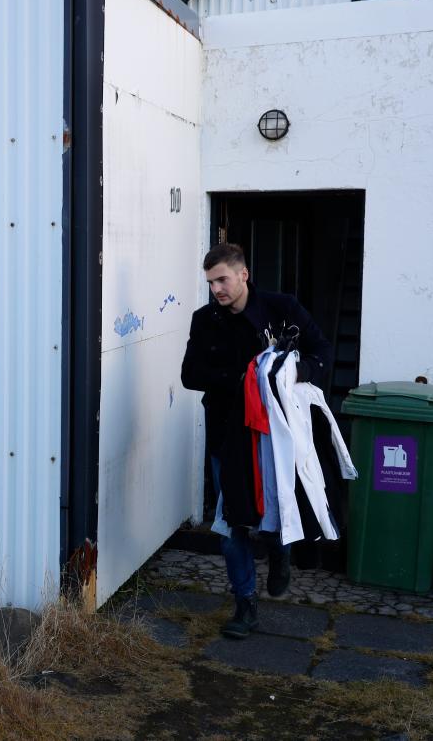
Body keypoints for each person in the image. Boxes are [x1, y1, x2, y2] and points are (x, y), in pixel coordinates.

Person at [181, 243, 332, 639]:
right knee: (232, 524)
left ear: (243, 274)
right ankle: (245, 604)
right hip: (226, 438)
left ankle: (281, 551)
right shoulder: (204, 320)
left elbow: (320, 352)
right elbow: (189, 375)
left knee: (279, 509)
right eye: (211, 282)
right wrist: (246, 378)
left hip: (275, 440)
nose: (217, 289)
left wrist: (287, 372)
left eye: (222, 280)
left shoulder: (281, 309)